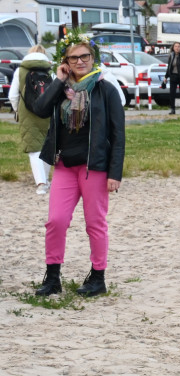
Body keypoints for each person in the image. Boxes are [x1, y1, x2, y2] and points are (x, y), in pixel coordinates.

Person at [30, 30, 124, 298]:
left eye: (85, 56)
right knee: (56, 221)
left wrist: (114, 172)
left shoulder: (105, 89)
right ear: (66, 62)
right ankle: (53, 277)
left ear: (93, 58)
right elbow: (40, 109)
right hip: (64, 165)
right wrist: (58, 81)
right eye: (74, 58)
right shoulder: (61, 89)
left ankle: (98, 277)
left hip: (94, 166)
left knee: (95, 223)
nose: (80, 61)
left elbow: (118, 135)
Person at [9, 44, 52, 194]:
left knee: (34, 148)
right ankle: (46, 179)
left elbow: (12, 95)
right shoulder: (49, 70)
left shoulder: (20, 70)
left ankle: (41, 184)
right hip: (47, 111)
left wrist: (17, 110)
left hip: (27, 112)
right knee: (47, 146)